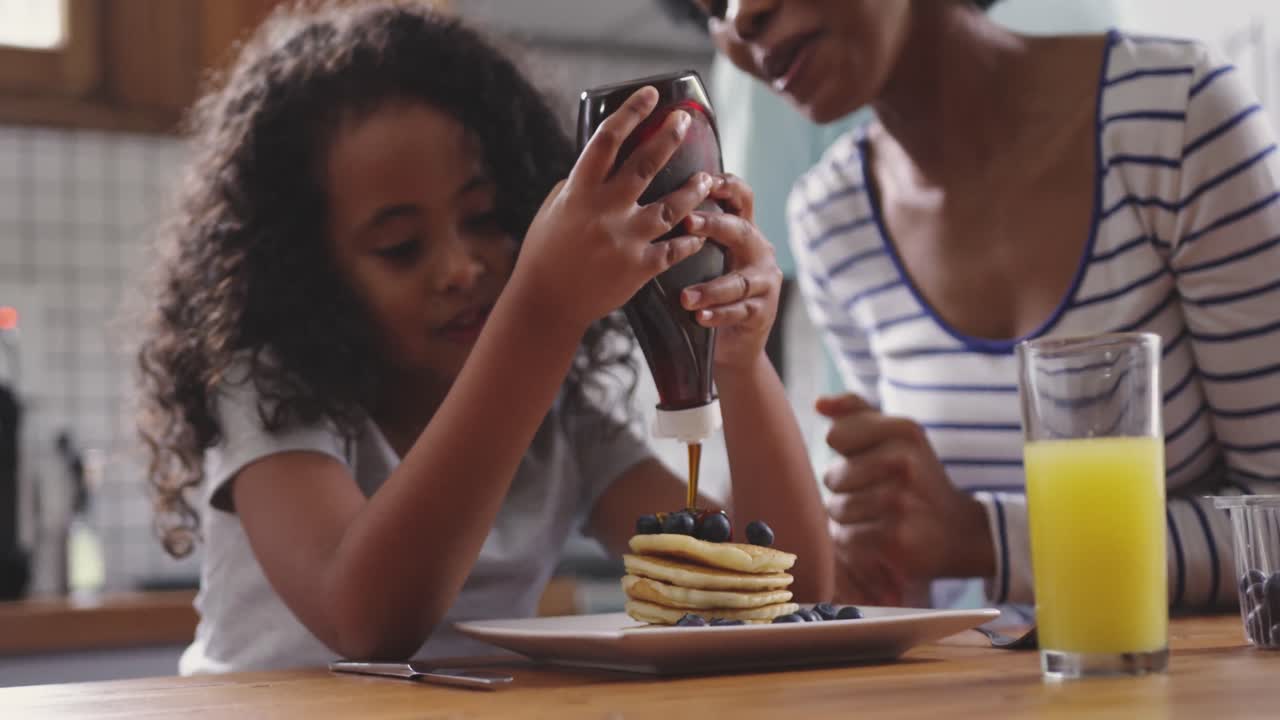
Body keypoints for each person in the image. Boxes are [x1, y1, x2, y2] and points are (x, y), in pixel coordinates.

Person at [135, 1, 832, 674]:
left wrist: (738, 361)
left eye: (487, 218)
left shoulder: (561, 425)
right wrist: (540, 311)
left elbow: (782, 597)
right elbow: (366, 624)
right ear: (305, 276)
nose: (461, 268)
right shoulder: (269, 393)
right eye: (402, 247)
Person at [693, 0, 1280, 612]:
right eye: (708, 4)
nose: (743, 16)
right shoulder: (830, 218)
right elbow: (917, 569)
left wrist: (983, 537)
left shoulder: (1178, 118)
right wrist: (880, 561)